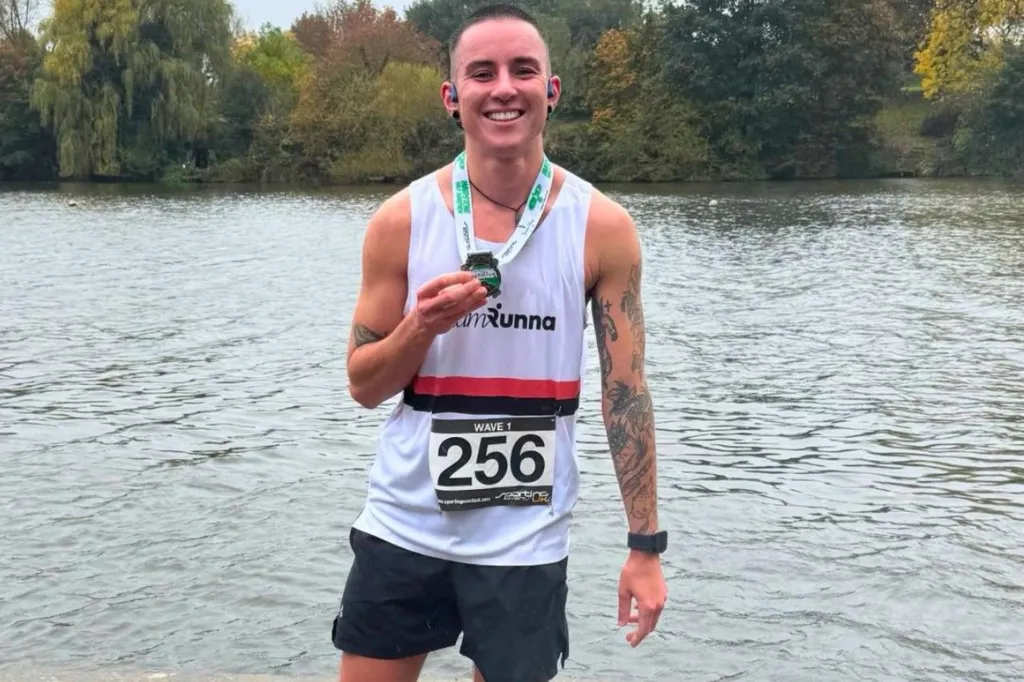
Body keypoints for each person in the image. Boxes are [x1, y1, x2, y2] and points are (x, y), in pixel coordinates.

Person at [333, 4, 668, 682]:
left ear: (552, 91)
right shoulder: (401, 221)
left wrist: (645, 546)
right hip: (406, 522)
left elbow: (625, 394)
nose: (503, 88)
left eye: (524, 70)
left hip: (526, 536)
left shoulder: (602, 228)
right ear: (453, 98)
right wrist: (420, 326)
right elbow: (364, 386)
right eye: (481, 73)